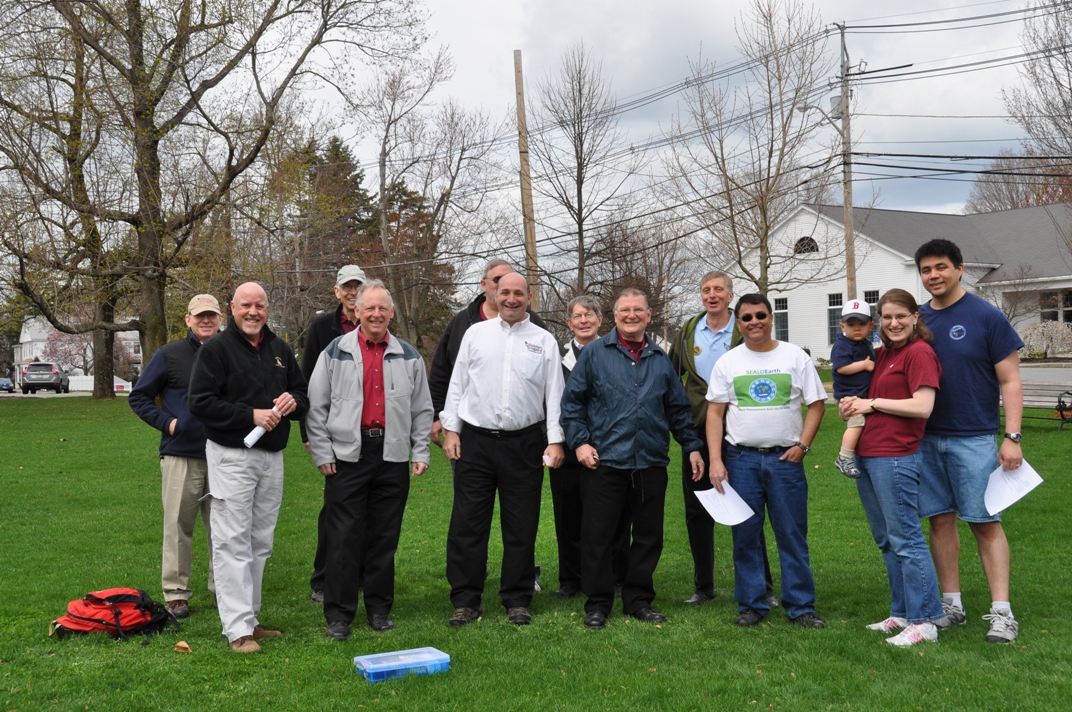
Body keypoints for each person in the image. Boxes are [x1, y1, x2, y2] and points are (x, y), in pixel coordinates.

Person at [561, 288, 704, 630]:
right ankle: (598, 603)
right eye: (624, 310)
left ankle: (638, 599)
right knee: (599, 536)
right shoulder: (594, 354)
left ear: (649, 315)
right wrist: (579, 443)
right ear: (615, 315)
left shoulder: (659, 358)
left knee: (648, 536)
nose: (631, 315)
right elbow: (572, 405)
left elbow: (677, 409)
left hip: (650, 461)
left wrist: (693, 445)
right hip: (605, 461)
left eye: (638, 310)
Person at [305, 281, 433, 640]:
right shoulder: (335, 352)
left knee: (384, 536)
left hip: (391, 454)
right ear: (357, 311)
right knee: (343, 536)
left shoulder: (409, 356)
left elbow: (422, 409)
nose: (376, 314)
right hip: (347, 455)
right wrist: (323, 452)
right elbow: (316, 407)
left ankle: (379, 609)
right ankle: (340, 615)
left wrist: (419, 450)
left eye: (383, 309)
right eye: (370, 308)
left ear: (392, 313)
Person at [188, 282, 308, 654]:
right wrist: (249, 415)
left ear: (267, 308)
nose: (253, 312)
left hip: (272, 457)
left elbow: (303, 397)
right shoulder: (217, 350)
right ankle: (236, 628)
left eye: (259, 305)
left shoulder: (280, 349)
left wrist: (294, 401)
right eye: (245, 306)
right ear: (232, 309)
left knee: (260, 541)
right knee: (232, 540)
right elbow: (200, 403)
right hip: (231, 456)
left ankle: (251, 619)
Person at [915, 239, 1025, 643]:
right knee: (940, 521)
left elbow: (1011, 380)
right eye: (926, 270)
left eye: (941, 267)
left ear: (960, 269)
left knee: (984, 522)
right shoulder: (918, 320)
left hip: (974, 438)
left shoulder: (986, 316)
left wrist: (1012, 436)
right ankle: (951, 605)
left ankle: (1002, 612)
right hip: (925, 439)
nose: (934, 276)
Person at [440, 273, 565, 627]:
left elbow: (554, 394)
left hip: (524, 443)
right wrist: (451, 430)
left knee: (521, 525)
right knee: (467, 524)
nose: (511, 299)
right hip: (476, 442)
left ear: (529, 297)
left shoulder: (544, 341)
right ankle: (465, 600)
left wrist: (555, 440)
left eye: (518, 293)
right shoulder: (475, 334)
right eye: (504, 292)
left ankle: (517, 598)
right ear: (493, 293)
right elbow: (457, 384)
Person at [705, 293, 826, 629]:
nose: (754, 322)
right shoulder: (728, 362)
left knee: (792, 534)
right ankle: (752, 604)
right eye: (746, 318)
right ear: (738, 323)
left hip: (785, 460)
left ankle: (801, 606)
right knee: (745, 536)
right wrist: (716, 460)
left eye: (760, 315)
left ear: (771, 318)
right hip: (741, 460)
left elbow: (816, 404)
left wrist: (804, 445)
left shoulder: (794, 357)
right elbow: (715, 414)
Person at [839, 289, 945, 647]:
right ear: (878, 323)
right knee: (887, 541)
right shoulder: (883, 354)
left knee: (906, 539)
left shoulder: (919, 353)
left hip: (896, 455)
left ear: (916, 317)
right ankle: (901, 612)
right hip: (869, 454)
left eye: (901, 315)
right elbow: (865, 399)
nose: (894, 323)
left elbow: (923, 406)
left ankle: (925, 620)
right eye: (886, 317)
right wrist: (852, 405)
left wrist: (871, 403)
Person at [667, 271, 777, 607]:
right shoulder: (689, 330)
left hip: (740, 430)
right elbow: (671, 377)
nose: (712, 295)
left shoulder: (744, 327)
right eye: (706, 290)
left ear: (730, 296)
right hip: (697, 431)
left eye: (718, 290)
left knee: (747, 509)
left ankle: (764, 587)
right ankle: (704, 587)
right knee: (697, 508)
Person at [129, 294, 222, 619]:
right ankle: (177, 594)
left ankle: (223, 589)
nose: (206, 321)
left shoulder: (231, 353)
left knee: (223, 529)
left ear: (220, 318)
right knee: (178, 527)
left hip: (225, 456)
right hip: (182, 455)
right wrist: (168, 423)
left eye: (211, 315)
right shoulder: (169, 355)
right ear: (188, 320)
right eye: (200, 316)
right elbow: (139, 397)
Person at [551, 295, 628, 600]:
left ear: (600, 319)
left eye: (589, 315)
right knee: (568, 515)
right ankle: (571, 579)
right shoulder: (557, 358)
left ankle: (616, 577)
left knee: (613, 517)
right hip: (568, 448)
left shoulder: (615, 352)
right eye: (577, 316)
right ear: (568, 323)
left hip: (608, 447)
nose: (583, 320)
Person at [300, 264, 367, 605]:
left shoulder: (377, 323)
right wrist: (309, 435)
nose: (353, 291)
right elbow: (306, 384)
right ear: (337, 291)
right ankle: (323, 579)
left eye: (359, 285)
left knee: (369, 512)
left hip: (372, 436)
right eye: (348, 286)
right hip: (334, 435)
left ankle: (361, 576)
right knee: (335, 511)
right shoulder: (321, 328)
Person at [428, 259, 549, 448]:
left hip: (523, 436)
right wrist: (437, 415)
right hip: (471, 433)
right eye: (498, 280)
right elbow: (443, 374)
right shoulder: (463, 324)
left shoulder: (536, 327)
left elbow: (549, 385)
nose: (510, 295)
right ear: (484, 284)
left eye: (515, 287)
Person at [830, 300, 876, 479]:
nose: (857, 328)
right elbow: (841, 368)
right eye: (851, 324)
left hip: (860, 394)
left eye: (862, 324)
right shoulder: (842, 345)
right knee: (857, 424)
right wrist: (864, 365)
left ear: (871, 325)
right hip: (848, 395)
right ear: (842, 325)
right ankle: (844, 456)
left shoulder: (864, 343)